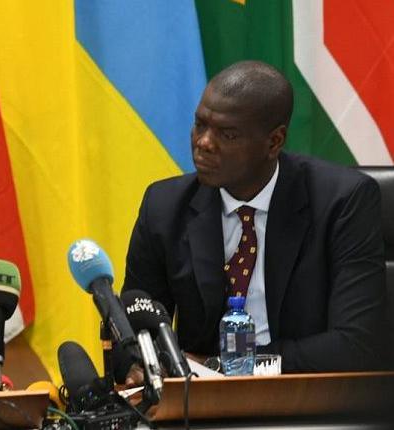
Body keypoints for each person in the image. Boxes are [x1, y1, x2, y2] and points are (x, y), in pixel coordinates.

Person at [122, 60, 386, 372]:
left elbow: (355, 345)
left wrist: (226, 366)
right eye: (200, 125)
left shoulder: (343, 201)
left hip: (308, 393)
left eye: (228, 134)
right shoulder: (164, 206)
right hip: (203, 406)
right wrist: (141, 362)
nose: (203, 143)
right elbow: (135, 333)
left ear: (274, 142)